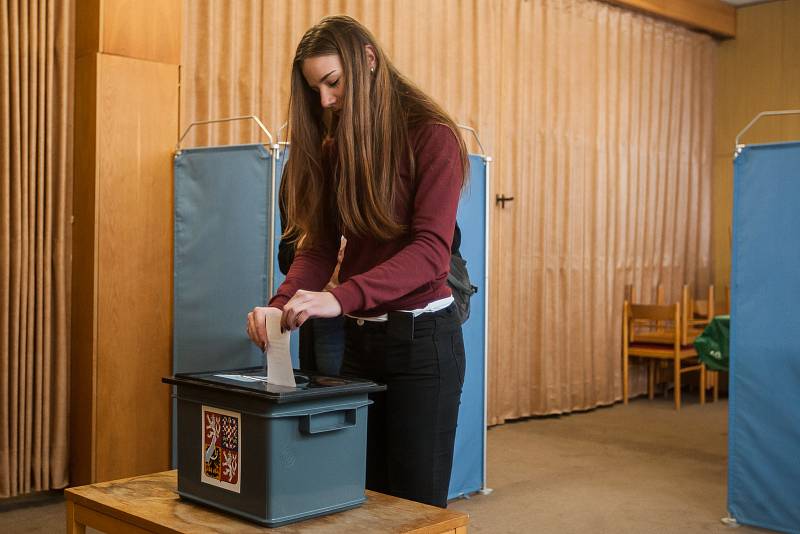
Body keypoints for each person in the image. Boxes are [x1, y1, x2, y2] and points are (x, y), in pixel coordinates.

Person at [246, 15, 468, 508]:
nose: (324, 101)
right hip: (360, 348)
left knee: (412, 508)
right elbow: (320, 245)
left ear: (368, 60)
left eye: (333, 83)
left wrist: (338, 297)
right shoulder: (335, 146)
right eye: (315, 90)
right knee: (359, 500)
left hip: (422, 348)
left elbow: (431, 253)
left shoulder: (433, 137)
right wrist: (280, 305)